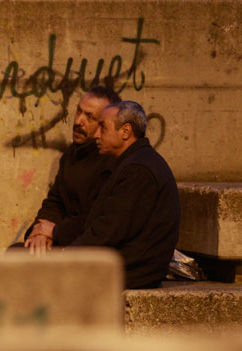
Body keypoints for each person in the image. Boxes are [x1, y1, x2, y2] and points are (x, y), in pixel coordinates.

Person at [71, 101, 180, 289]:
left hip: (131, 271)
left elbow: (109, 231)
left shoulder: (138, 170)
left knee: (39, 274)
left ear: (125, 131)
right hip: (122, 264)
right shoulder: (133, 163)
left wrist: (66, 255)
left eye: (103, 127)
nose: (96, 134)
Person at [24, 86, 121, 254]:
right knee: (19, 254)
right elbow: (55, 201)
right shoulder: (71, 154)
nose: (78, 121)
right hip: (62, 237)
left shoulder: (112, 161)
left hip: (87, 247)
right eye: (78, 111)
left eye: (89, 117)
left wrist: (53, 231)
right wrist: (39, 233)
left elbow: (97, 220)